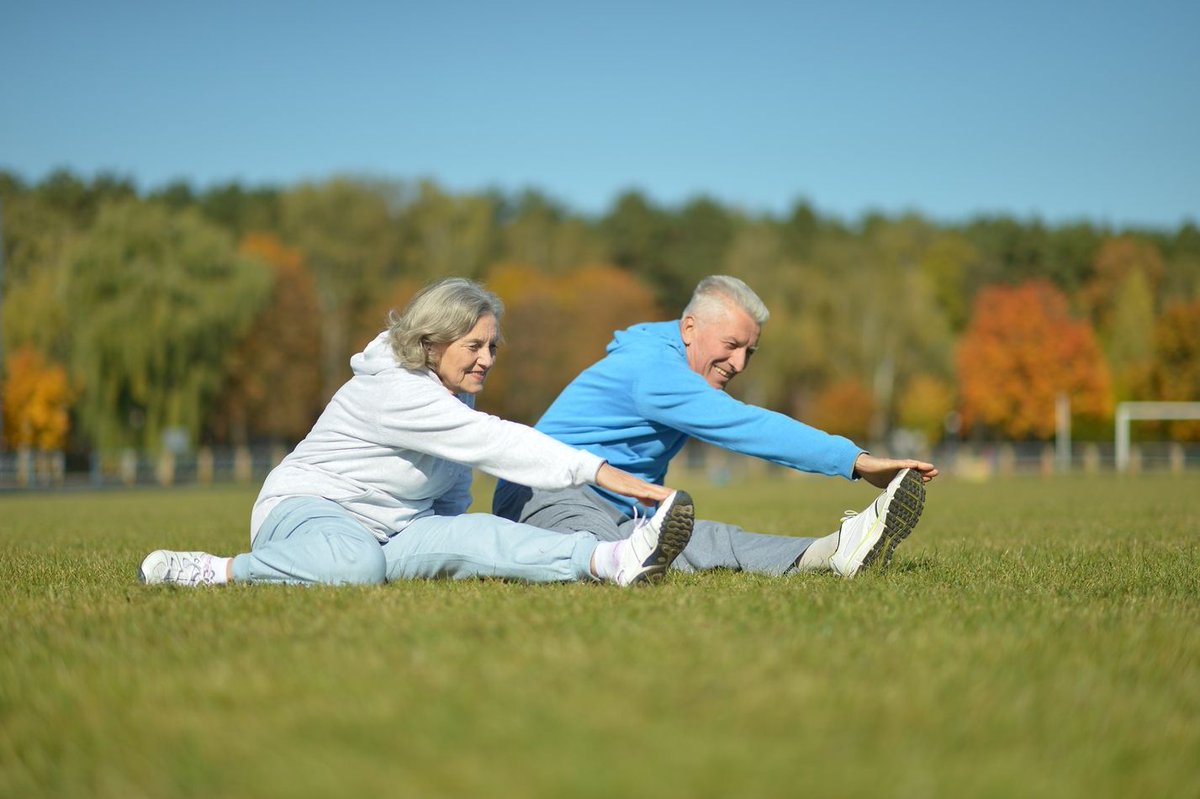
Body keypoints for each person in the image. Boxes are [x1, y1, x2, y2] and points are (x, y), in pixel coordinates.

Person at [139, 278, 694, 589]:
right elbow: (495, 442)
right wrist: (605, 474)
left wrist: (456, 539)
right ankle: (216, 570)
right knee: (355, 564)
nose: (486, 359)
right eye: (473, 346)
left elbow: (453, 483)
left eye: (492, 346)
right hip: (307, 509)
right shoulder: (398, 390)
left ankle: (613, 561)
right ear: (431, 341)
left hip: (396, 531)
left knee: (476, 533)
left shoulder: (455, 396)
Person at [493, 274, 938, 579]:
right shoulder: (654, 370)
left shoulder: (669, 361)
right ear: (690, 328)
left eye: (750, 351)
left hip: (622, 508)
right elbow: (747, 426)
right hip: (547, 496)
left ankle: (829, 552)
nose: (739, 363)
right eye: (731, 345)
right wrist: (856, 462)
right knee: (623, 555)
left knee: (705, 540)